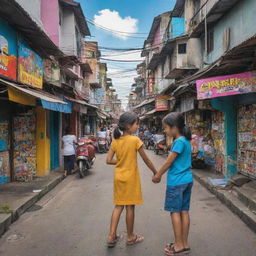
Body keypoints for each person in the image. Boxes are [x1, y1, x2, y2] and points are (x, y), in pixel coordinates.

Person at [106, 112, 157, 247]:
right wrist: (155, 172)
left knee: (118, 206)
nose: (137, 126)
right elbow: (146, 159)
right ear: (128, 126)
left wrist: (120, 161)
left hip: (119, 178)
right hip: (131, 179)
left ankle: (111, 236)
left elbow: (108, 160)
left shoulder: (115, 142)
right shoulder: (135, 140)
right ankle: (130, 236)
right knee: (130, 207)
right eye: (136, 124)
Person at [152, 112, 193, 255]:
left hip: (176, 182)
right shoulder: (185, 141)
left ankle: (178, 245)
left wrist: (158, 175)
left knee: (174, 212)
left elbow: (169, 161)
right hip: (187, 180)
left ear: (174, 127)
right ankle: (184, 243)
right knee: (184, 211)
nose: (164, 130)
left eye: (166, 128)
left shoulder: (179, 142)